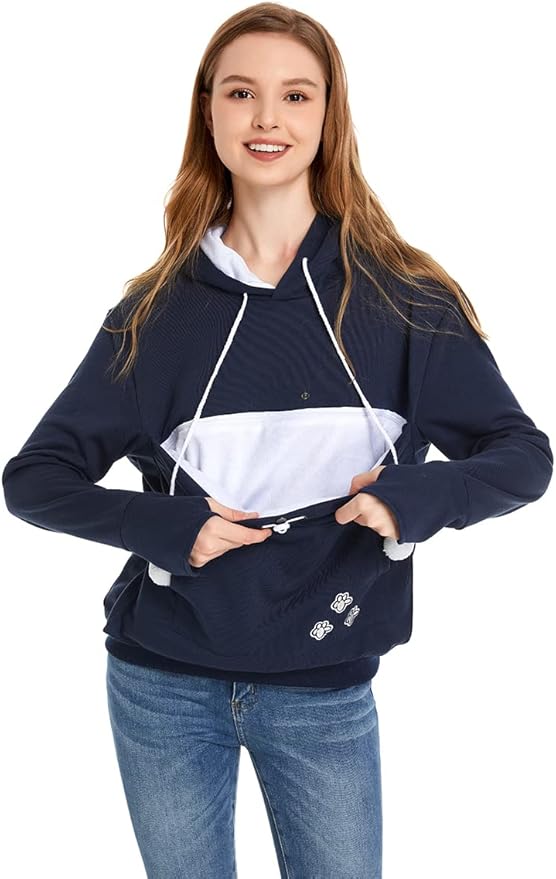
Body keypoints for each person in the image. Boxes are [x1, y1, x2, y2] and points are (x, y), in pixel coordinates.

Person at [2, 3, 553, 877]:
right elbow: (34, 478)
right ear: (208, 111)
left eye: (296, 95)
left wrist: (415, 499)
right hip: (160, 683)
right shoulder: (152, 316)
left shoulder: (403, 302)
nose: (267, 117)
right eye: (241, 92)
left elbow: (522, 455)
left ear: (329, 115)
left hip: (323, 689)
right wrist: (168, 528)